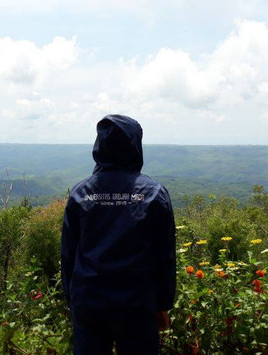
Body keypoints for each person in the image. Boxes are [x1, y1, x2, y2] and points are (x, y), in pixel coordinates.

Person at [61, 114, 176, 355]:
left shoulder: (81, 193)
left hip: (89, 302)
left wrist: (71, 300)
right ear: (136, 145)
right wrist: (163, 304)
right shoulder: (153, 193)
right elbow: (165, 255)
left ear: (99, 146)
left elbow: (69, 254)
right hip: (137, 304)